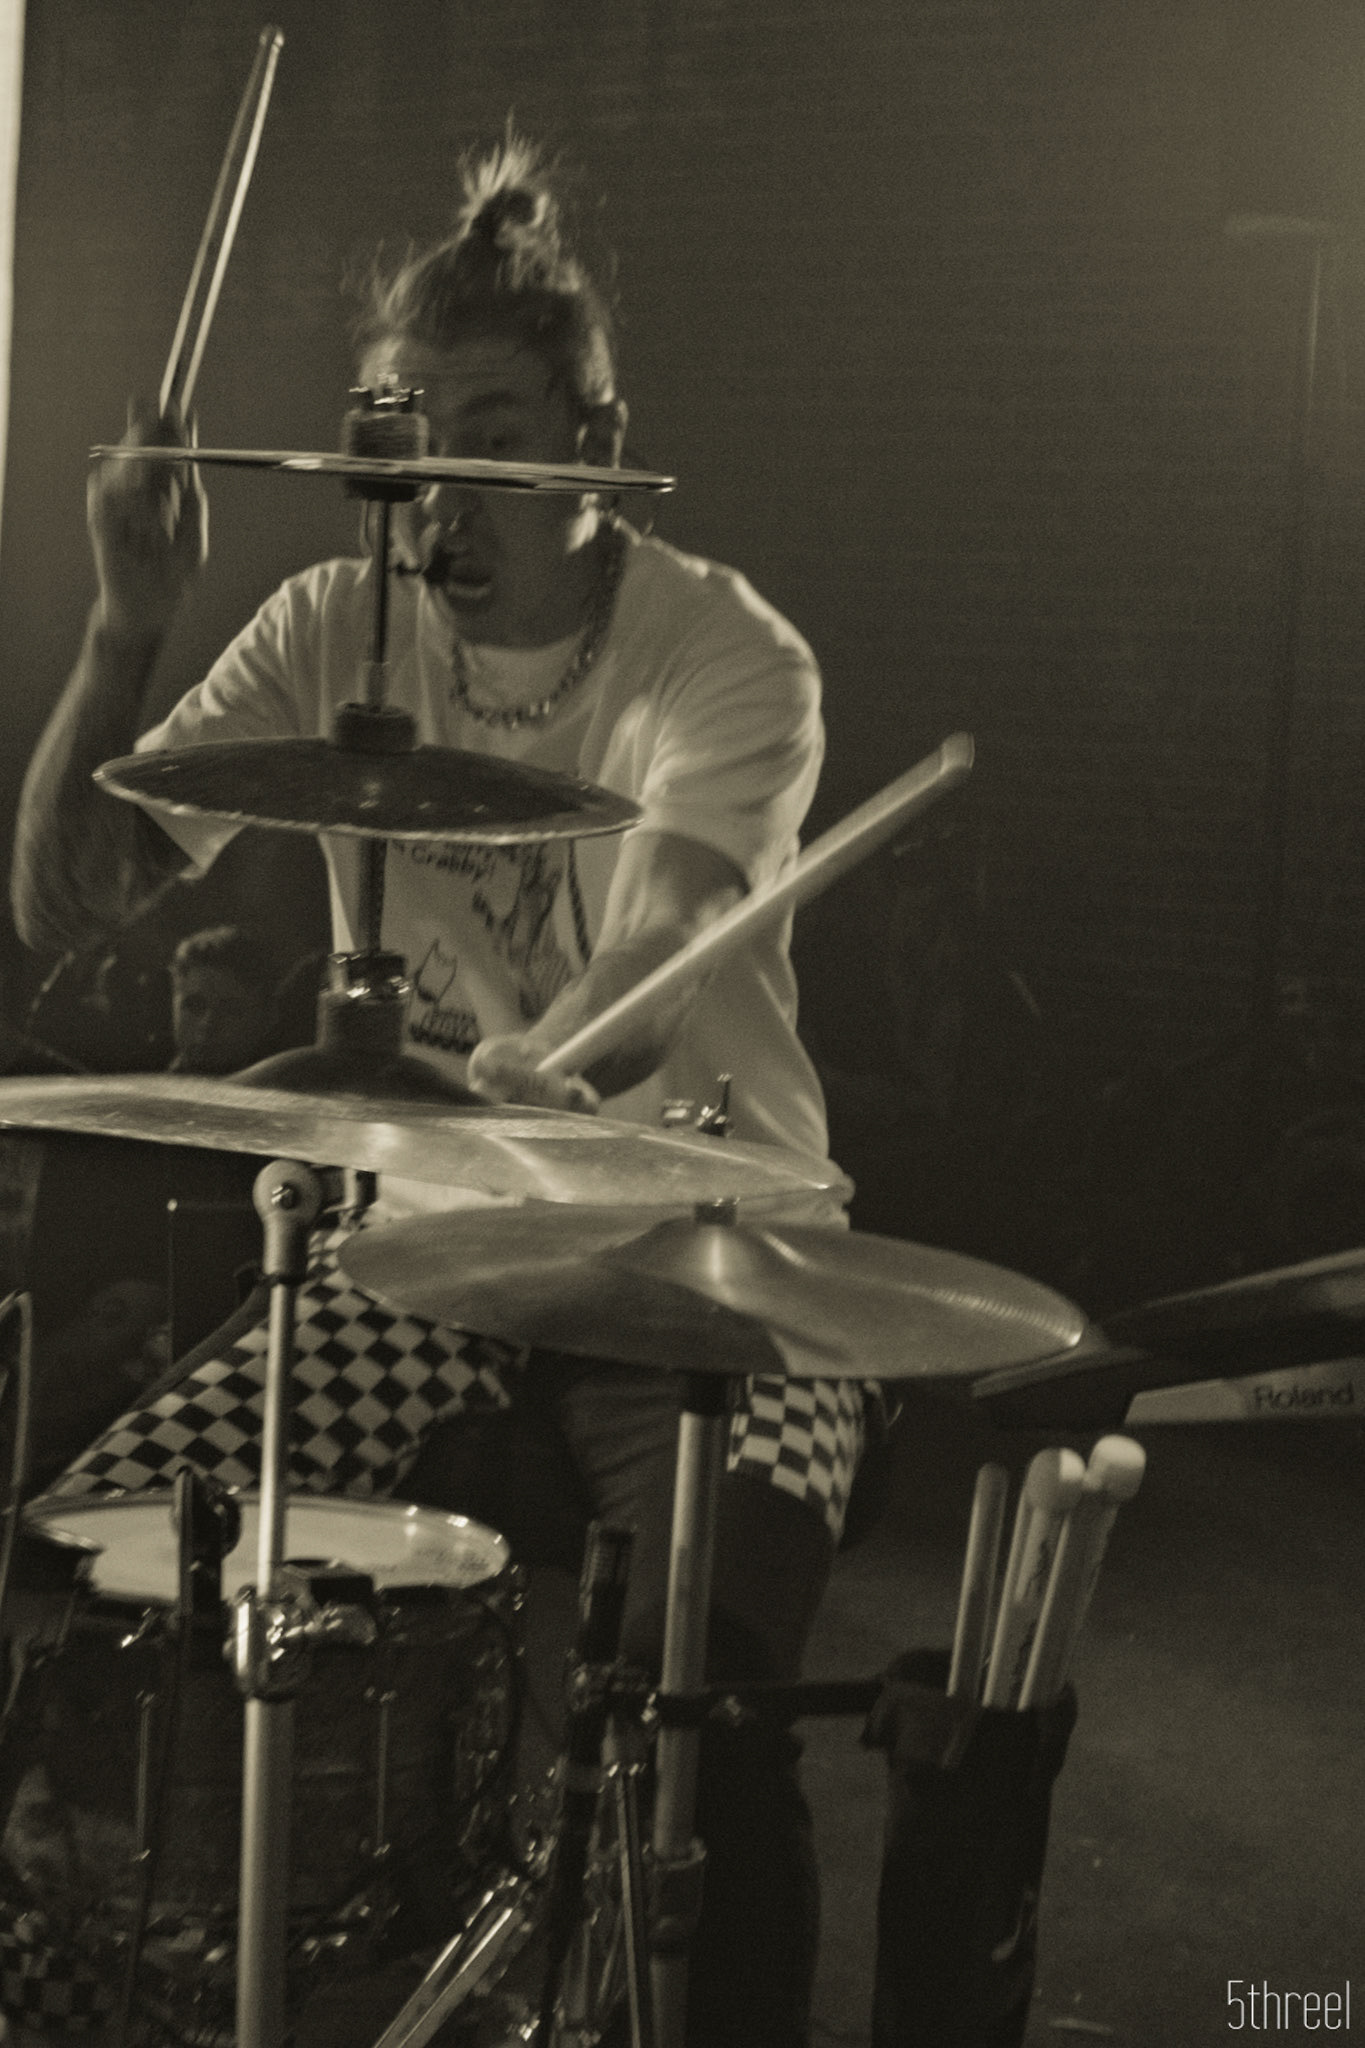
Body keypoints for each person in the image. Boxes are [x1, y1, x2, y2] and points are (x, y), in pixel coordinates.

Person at [9, 133, 862, 2047]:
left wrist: (550, 1068)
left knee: (708, 1699)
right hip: (438, 1257)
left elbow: (671, 932)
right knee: (105, 1552)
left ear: (596, 444)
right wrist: (126, 618)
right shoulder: (336, 630)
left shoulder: (722, 650)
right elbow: (66, 895)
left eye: (495, 435)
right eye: (408, 439)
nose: (442, 492)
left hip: (714, 1242)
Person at [166, 922, 282, 1073]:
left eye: (230, 1010)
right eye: (194, 1006)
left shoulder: (283, 1083)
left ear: (266, 1017)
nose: (208, 1025)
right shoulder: (144, 1085)